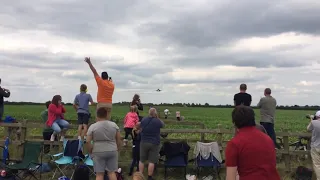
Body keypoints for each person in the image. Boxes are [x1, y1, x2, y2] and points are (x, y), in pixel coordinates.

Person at [225, 105, 280, 180]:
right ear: (253, 120)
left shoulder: (234, 144)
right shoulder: (268, 139)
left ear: (235, 122)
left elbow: (230, 177)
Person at [86, 107, 122, 180]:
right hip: (112, 150)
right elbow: (119, 139)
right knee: (111, 173)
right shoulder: (114, 125)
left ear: (97, 115)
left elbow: (87, 141)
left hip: (98, 151)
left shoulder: (93, 126)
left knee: (99, 174)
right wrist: (117, 148)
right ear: (107, 115)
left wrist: (90, 151)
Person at [139, 108, 164, 180]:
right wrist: (157, 117)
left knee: (142, 160)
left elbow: (140, 126)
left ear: (149, 113)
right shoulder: (157, 121)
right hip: (154, 142)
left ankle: (140, 175)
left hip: (144, 142)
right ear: (155, 113)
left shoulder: (144, 119)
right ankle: (149, 177)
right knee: (152, 161)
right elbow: (163, 125)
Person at [307, 110, 320, 179]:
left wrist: (311, 118)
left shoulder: (314, 122)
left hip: (316, 147)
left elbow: (308, 129)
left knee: (317, 165)